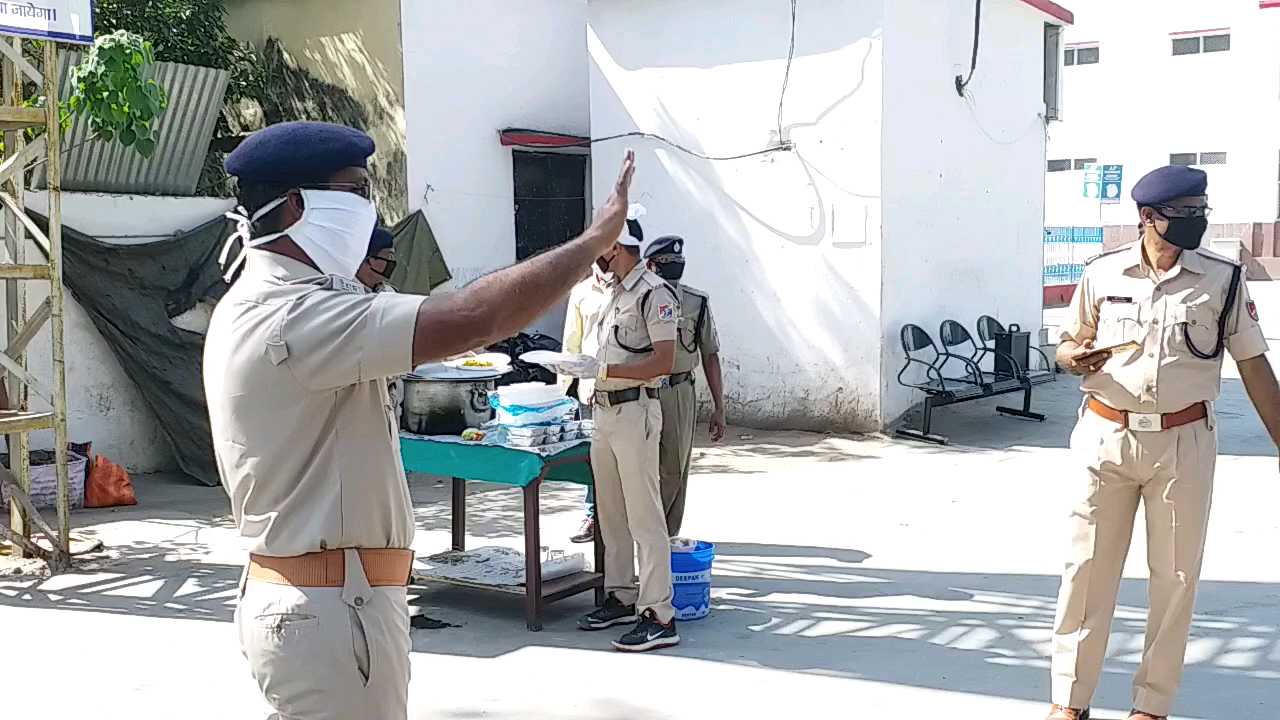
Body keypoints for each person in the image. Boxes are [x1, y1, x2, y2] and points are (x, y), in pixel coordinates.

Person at [204, 119, 637, 719]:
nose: (367, 211)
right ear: (297, 207)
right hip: (332, 607)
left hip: (332, 601)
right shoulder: (294, 315)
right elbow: (474, 315)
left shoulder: (283, 301)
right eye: (357, 193)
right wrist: (591, 243)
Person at [1046, 165, 1280, 720]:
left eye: (1202, 210)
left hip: (1183, 445)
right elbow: (1069, 341)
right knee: (1086, 573)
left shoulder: (1223, 280)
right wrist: (1071, 357)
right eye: (1185, 214)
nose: (1197, 221)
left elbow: (1254, 367)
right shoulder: (1102, 274)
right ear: (1148, 218)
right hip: (1106, 438)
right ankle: (1069, 702)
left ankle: (1151, 705)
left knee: (1175, 580)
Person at [576, 212, 681, 652]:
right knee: (611, 514)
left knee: (644, 515)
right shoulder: (614, 293)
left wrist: (604, 369)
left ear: (615, 248)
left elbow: (664, 361)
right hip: (603, 412)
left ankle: (659, 613)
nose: (596, 256)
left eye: (601, 247)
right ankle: (620, 594)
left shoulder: (655, 294)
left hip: (635, 412)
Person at [641, 235, 726, 536]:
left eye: (678, 262)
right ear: (650, 265)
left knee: (675, 467)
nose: (675, 266)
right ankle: (643, 532)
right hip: (641, 390)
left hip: (678, 391)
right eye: (667, 263)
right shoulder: (638, 298)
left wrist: (719, 407)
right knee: (639, 467)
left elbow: (710, 354)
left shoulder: (695, 302)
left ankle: (665, 534)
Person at [562, 263, 614, 544]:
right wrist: (561, 394)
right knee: (594, 459)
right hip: (590, 390)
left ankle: (623, 521)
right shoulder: (581, 293)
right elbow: (572, 344)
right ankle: (592, 515)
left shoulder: (629, 288)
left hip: (624, 388)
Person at [358, 225, 398, 292]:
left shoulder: (390, 292)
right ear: (370, 259)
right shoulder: (343, 293)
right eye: (389, 256)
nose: (392, 261)